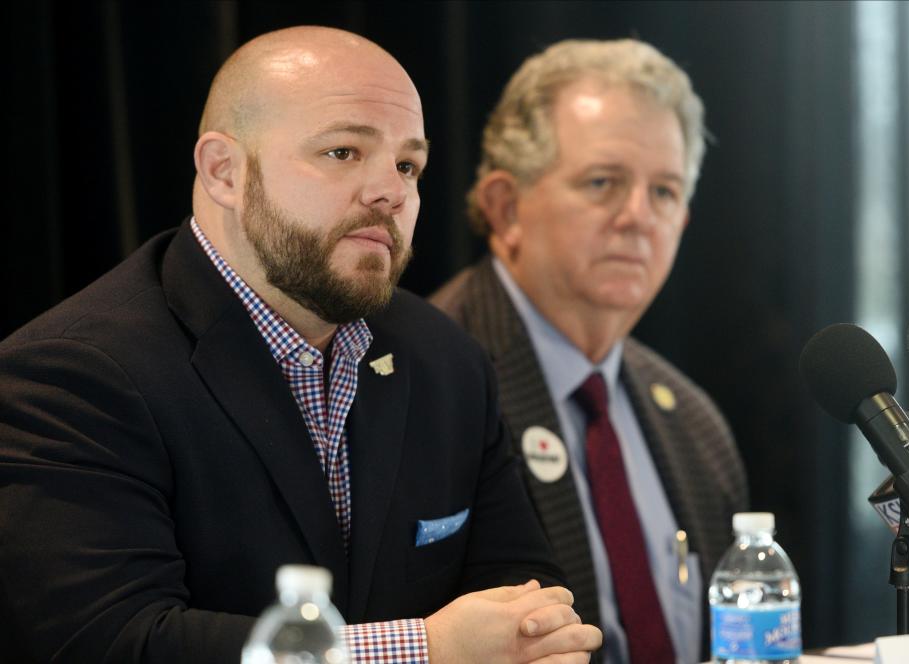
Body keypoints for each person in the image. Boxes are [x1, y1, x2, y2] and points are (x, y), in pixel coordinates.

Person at [0, 26, 602, 664]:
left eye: (408, 165)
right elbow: (111, 642)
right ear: (223, 171)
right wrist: (423, 649)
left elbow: (526, 601)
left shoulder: (447, 359)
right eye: (344, 152)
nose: (390, 191)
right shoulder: (71, 375)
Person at [431, 39, 748, 663]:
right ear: (505, 207)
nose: (638, 217)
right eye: (603, 182)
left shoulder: (694, 420)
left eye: (665, 192)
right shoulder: (428, 378)